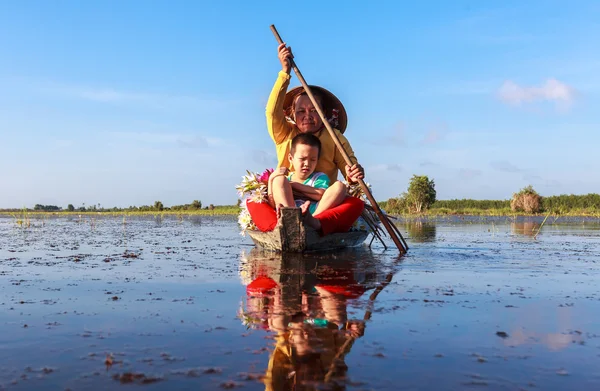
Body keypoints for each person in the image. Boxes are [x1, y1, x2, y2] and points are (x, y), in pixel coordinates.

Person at [266, 43, 365, 185]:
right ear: (292, 114)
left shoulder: (334, 137)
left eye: (314, 110)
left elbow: (349, 167)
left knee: (339, 188)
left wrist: (353, 174)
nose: (307, 116)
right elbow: (272, 113)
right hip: (287, 196)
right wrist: (285, 72)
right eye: (301, 111)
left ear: (324, 113)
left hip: (323, 199)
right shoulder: (284, 132)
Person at [268, 133, 347, 231]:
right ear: (291, 158)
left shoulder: (319, 177)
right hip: (291, 211)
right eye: (302, 159)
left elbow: (321, 194)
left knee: (340, 186)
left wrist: (294, 185)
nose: (307, 164)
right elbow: (271, 202)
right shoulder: (286, 180)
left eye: (313, 160)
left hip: (314, 213)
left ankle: (312, 220)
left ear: (317, 160)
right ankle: (291, 219)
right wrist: (271, 179)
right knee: (278, 179)